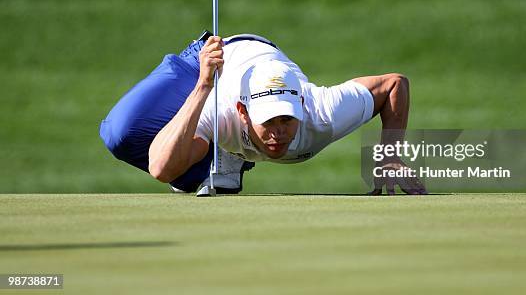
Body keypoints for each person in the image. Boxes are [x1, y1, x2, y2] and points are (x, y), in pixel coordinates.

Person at [100, 31, 426, 195]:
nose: (278, 133)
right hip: (208, 61)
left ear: (301, 108)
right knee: (119, 134)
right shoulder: (224, 112)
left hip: (254, 74)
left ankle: (225, 157)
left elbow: (394, 85)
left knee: (184, 159)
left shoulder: (322, 113)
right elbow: (160, 168)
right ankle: (221, 157)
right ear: (244, 113)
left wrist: (388, 157)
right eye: (268, 121)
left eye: (287, 119)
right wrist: (202, 84)